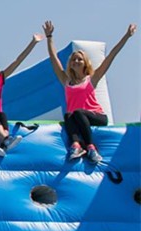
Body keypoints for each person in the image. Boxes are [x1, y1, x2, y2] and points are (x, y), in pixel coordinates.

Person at [43, 21, 137, 162]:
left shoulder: (91, 79)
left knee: (77, 112)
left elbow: (111, 56)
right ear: (70, 64)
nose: (76, 61)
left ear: (85, 63)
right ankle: (76, 145)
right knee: (68, 114)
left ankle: (91, 147)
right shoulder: (66, 81)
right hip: (76, 118)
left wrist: (127, 36)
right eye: (73, 60)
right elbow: (53, 58)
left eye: (79, 59)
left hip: (96, 116)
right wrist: (49, 37)